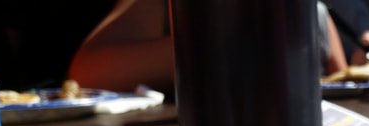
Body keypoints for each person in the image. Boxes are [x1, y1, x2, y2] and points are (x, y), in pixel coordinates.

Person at [68, 0, 348, 94]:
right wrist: (226, 45)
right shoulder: (163, 6)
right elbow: (87, 74)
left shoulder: (313, 13)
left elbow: (343, 84)